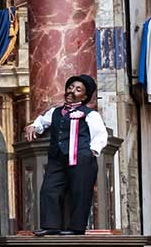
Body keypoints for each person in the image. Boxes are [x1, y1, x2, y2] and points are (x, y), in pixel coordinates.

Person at [25, 74, 109, 235]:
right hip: (57, 158)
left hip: (81, 158)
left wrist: (91, 151)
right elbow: (42, 121)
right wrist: (34, 126)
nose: (72, 91)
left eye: (78, 89)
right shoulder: (55, 112)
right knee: (49, 189)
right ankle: (51, 226)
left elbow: (101, 135)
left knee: (80, 191)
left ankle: (76, 228)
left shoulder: (90, 114)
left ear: (84, 96)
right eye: (70, 87)